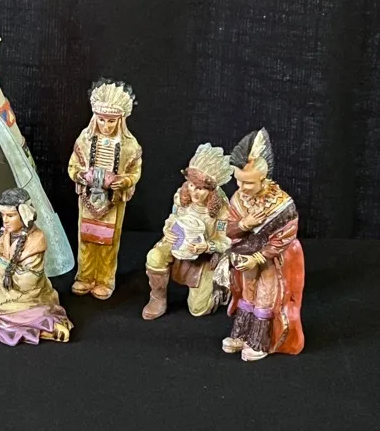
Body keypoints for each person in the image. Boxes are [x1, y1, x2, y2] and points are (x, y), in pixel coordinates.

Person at [219, 128, 305, 361]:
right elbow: (223, 227)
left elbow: (285, 237)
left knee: (265, 296)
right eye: (238, 180)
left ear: (263, 179)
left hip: (271, 260)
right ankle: (241, 334)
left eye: (248, 183)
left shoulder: (282, 205)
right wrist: (243, 225)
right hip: (244, 256)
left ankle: (259, 342)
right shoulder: (238, 198)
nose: (240, 186)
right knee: (247, 293)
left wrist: (258, 257)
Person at [67, 79, 142, 300]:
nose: (106, 126)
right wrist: (82, 176)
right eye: (101, 120)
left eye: (111, 121)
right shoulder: (85, 139)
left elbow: (135, 172)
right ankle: (85, 276)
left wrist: (124, 181)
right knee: (87, 238)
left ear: (120, 121)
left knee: (108, 241)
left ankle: (105, 279)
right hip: (89, 198)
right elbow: (73, 166)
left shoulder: (130, 146)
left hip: (112, 201)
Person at [142, 144, 233, 320]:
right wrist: (168, 230)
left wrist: (208, 246)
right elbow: (173, 217)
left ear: (211, 190)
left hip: (203, 256)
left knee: (198, 309)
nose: (194, 192)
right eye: (192, 185)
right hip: (178, 241)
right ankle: (158, 297)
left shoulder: (221, 210)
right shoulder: (181, 196)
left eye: (201, 188)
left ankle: (219, 288)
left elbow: (225, 241)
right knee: (155, 256)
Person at [0, 188, 73, 345]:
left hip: (26, 295)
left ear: (24, 215)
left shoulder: (36, 240)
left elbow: (29, 280)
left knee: (7, 312)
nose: (5, 220)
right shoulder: (1, 235)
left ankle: (45, 327)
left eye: (10, 216)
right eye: (3, 215)